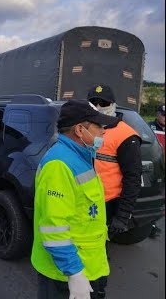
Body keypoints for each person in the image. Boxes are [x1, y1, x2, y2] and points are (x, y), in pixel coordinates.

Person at [31, 99, 119, 299]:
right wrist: (75, 273)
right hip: (65, 276)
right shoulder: (59, 165)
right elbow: (54, 228)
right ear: (80, 130)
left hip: (88, 266)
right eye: (99, 126)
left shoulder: (82, 156)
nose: (103, 132)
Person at [86, 85, 143, 240]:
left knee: (96, 246)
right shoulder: (83, 128)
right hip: (83, 200)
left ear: (113, 105)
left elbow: (133, 178)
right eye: (93, 102)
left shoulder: (125, 135)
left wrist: (122, 216)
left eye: (104, 103)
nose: (98, 107)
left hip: (107, 204)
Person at [147, 104, 164, 238]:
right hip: (155, 166)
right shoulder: (148, 127)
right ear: (157, 115)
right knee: (152, 195)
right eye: (163, 115)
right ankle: (150, 225)